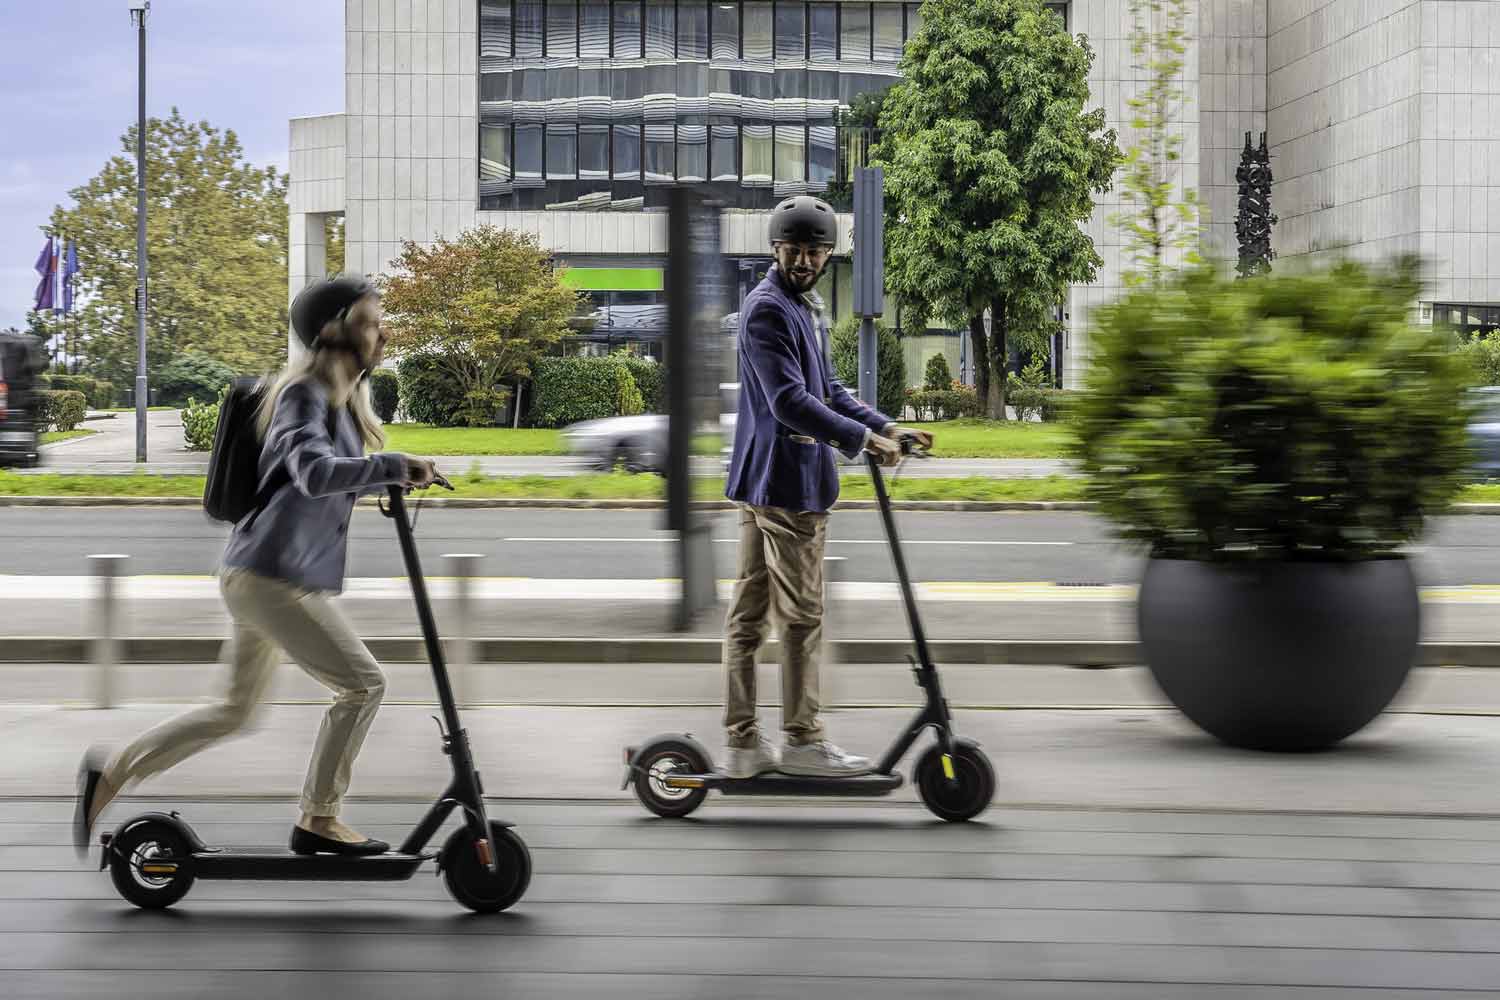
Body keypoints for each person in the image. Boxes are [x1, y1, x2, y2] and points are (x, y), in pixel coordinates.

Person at [73, 275, 438, 858]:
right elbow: (315, 473)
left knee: (232, 711)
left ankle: (110, 776)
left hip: (268, 576)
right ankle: (319, 819)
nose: (382, 331)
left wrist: (389, 473)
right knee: (364, 685)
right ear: (332, 330)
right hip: (269, 581)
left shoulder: (343, 407)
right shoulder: (302, 396)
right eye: (370, 321)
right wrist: (393, 466)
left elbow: (324, 482)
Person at [721, 196, 933, 779]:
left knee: (749, 615)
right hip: (786, 488)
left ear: (828, 254)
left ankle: (743, 744)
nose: (806, 259)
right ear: (775, 248)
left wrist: (887, 426)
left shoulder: (800, 308)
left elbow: (828, 388)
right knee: (803, 617)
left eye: (816, 250)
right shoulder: (767, 309)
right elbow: (790, 403)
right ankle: (802, 741)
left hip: (767, 482)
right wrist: (863, 444)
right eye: (795, 249)